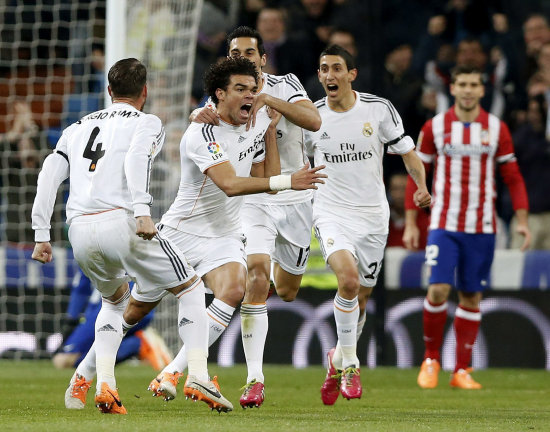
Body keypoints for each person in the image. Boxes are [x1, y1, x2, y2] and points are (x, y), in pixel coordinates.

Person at [31, 58, 233, 414]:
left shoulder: (77, 126)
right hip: (121, 221)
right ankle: (198, 374)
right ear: (145, 92)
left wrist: (40, 233)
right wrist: (142, 211)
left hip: (78, 230)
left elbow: (49, 173)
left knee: (114, 302)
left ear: (109, 91)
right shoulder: (148, 122)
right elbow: (137, 157)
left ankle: (96, 383)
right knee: (189, 287)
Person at [146, 56, 326, 406]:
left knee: (284, 290)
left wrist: (271, 119)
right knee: (250, 280)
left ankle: (171, 371)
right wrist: (196, 114)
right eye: (239, 86)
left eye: (251, 83)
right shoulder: (219, 111)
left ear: (261, 63)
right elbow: (219, 154)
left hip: (291, 200)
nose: (246, 91)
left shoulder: (284, 87)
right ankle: (248, 378)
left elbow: (313, 121)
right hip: (231, 212)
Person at [304, 44, 431, 405]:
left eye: (336, 68)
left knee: (360, 296)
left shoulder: (378, 110)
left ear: (351, 74)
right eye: (323, 69)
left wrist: (421, 186)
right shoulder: (311, 117)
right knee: (347, 280)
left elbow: (408, 153)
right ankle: (352, 364)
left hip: (373, 217)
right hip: (330, 212)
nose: (329, 75)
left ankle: (336, 358)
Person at [404, 65, 531, 390]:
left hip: (482, 226)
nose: (468, 90)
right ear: (453, 88)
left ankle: (461, 370)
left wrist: (521, 220)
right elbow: (417, 172)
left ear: (482, 89)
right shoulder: (435, 127)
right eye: (462, 84)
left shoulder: (495, 128)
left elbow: (513, 177)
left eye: (474, 83)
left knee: (472, 295)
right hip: (444, 223)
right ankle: (431, 359)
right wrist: (412, 221)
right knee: (438, 289)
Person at [52, 269, 172, 372]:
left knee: (62, 360)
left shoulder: (91, 245)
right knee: (92, 351)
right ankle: (136, 343)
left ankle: (138, 343)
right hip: (142, 306)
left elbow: (81, 287)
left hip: (111, 306)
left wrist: (71, 319)